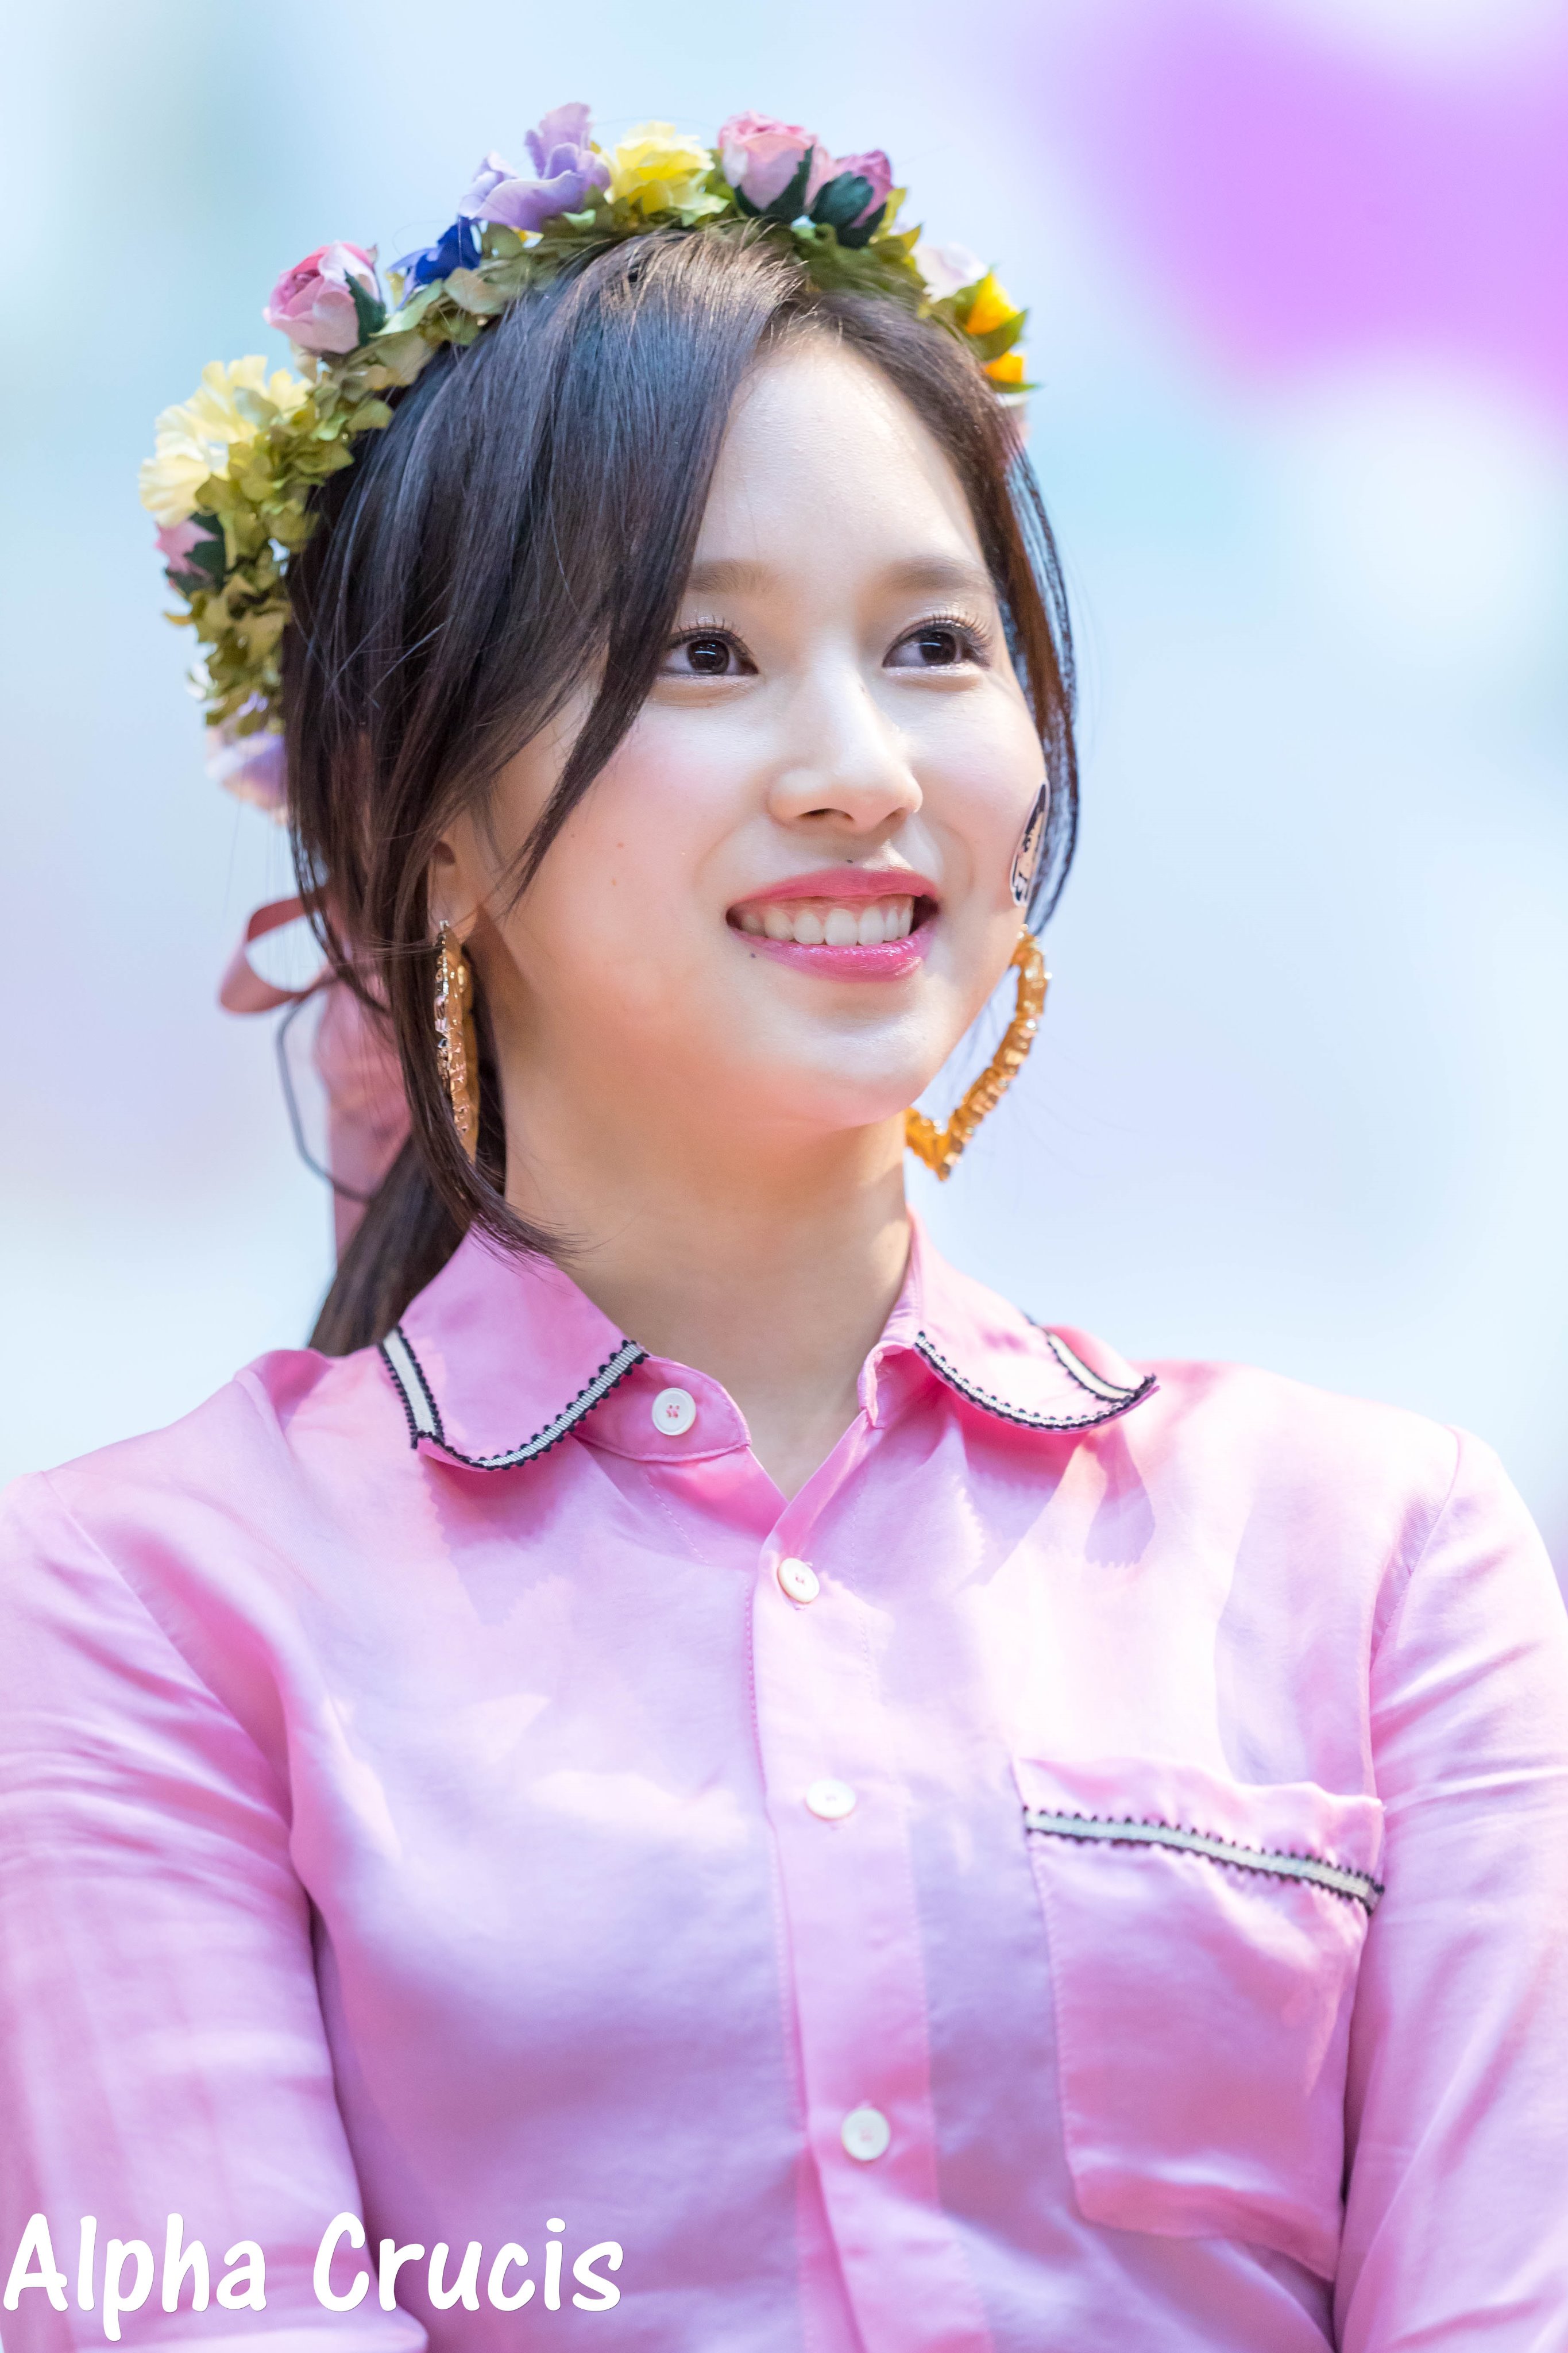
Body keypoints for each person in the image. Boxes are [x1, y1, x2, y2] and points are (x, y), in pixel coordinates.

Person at [1, 102, 1565, 2353]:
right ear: (422, 824)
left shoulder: (1381, 1554)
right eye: (702, 656)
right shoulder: (148, 1607)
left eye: (931, 643)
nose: (859, 766)